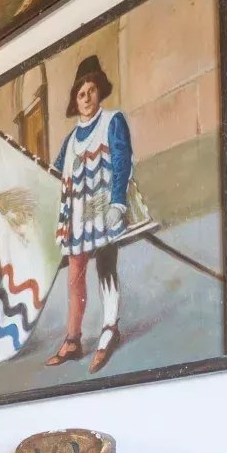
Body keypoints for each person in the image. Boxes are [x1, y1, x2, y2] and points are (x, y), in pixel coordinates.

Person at [49, 54, 134, 372]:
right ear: (76, 100)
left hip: (104, 210)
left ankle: (110, 329)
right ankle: (73, 340)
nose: (86, 98)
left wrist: (118, 203)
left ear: (99, 92)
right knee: (74, 275)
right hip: (77, 217)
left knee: (106, 267)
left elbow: (122, 161)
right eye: (81, 93)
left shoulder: (113, 122)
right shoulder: (71, 139)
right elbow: (55, 174)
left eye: (91, 91)